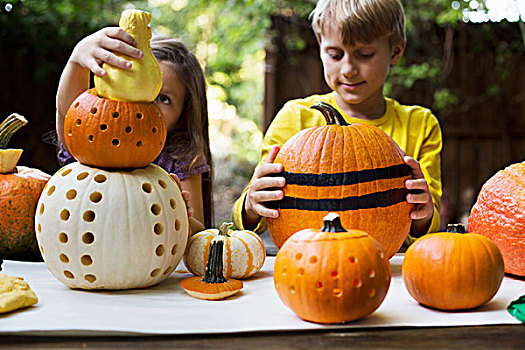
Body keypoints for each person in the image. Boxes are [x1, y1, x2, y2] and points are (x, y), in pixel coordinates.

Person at [232, 0, 442, 243]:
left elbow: (428, 224)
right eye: (335, 55)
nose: (348, 69)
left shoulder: (420, 125)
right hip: (306, 261)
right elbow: (252, 217)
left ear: (395, 51)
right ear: (320, 48)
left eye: (364, 55)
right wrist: (251, 205)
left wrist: (423, 210)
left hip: (387, 268)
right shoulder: (296, 117)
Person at [55, 28, 213, 234]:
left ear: (183, 114)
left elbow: (199, 234)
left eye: (163, 98)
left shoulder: (181, 156)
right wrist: (77, 60)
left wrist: (176, 213)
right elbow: (67, 113)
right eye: (139, 88)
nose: (146, 103)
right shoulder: (93, 136)